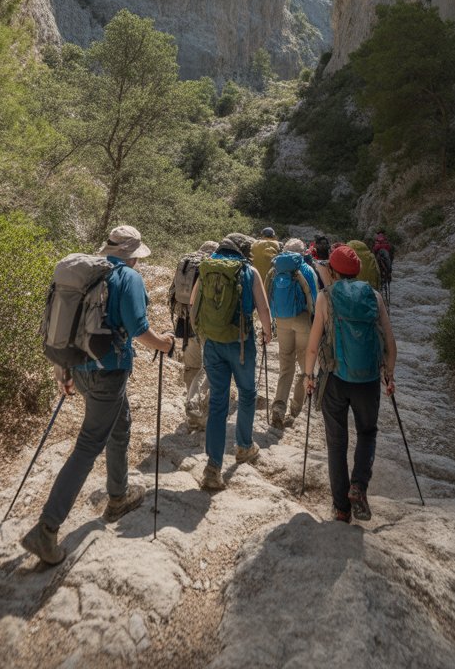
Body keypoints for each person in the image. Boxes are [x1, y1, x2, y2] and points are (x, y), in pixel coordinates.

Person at [21, 225, 176, 565]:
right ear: (133, 254)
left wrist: (61, 370)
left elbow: (68, 325)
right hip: (109, 370)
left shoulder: (88, 275)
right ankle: (47, 528)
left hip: (79, 367)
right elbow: (138, 329)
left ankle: (118, 496)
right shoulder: (128, 279)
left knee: (119, 426)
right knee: (89, 444)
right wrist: (164, 344)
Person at [304, 244, 396, 524]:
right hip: (367, 380)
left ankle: (341, 508)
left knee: (336, 443)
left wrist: (308, 377)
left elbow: (312, 345)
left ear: (332, 270)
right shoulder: (375, 296)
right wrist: (389, 375)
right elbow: (390, 345)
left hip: (334, 378)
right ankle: (359, 485)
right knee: (367, 433)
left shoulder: (325, 297)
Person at [190, 232, 272, 491]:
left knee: (217, 401)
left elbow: (193, 303)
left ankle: (213, 468)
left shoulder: (206, 267)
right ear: (243, 252)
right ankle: (244, 446)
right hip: (241, 343)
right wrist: (268, 333)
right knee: (247, 393)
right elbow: (263, 309)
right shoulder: (249, 272)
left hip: (212, 343)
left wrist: (203, 334)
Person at [168, 240, 219, 430]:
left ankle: (193, 415)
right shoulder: (210, 266)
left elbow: (172, 293)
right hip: (205, 323)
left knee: (191, 366)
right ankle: (195, 404)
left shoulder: (186, 263)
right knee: (210, 365)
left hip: (184, 321)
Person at [269, 238, 317, 430]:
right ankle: (295, 410)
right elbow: (314, 297)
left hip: (281, 320)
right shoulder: (306, 270)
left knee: (285, 365)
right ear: (303, 252)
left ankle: (278, 407)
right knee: (304, 367)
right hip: (303, 320)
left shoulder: (276, 269)